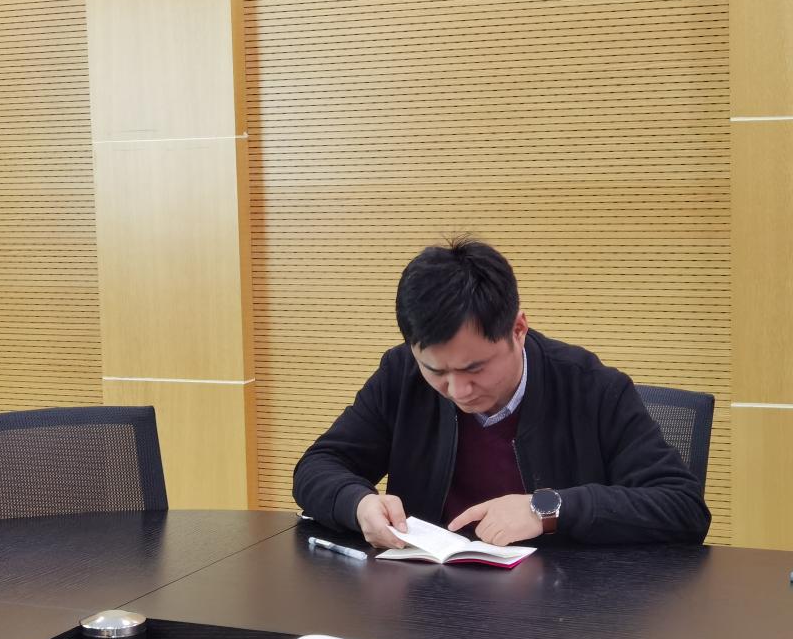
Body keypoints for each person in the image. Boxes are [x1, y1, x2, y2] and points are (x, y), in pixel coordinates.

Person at [293, 236, 710, 550]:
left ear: (518, 329)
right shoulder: (401, 375)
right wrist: (357, 504)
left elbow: (682, 507)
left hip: (561, 609)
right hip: (427, 601)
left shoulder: (592, 387)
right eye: (436, 370)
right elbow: (318, 466)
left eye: (474, 368)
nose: (457, 390)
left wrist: (547, 510)